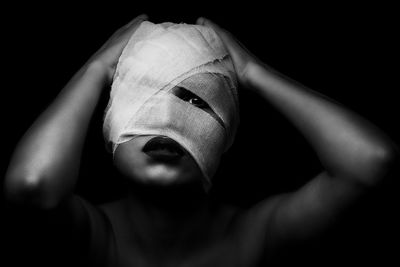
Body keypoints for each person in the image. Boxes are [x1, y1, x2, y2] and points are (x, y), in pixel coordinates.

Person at [4, 14, 398, 266]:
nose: (167, 120)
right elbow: (31, 183)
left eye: (196, 100)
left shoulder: (256, 238)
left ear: (228, 135)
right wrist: (96, 67)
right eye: (143, 91)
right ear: (106, 124)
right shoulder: (92, 236)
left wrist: (252, 72)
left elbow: (371, 161)